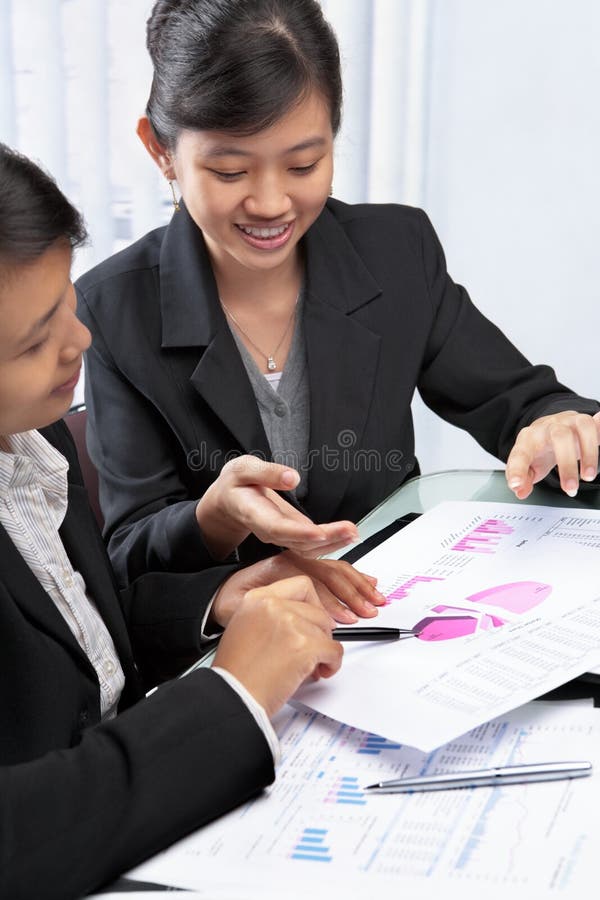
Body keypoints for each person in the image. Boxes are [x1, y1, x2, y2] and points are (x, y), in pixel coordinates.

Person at [76, 0, 600, 599]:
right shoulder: (112, 310)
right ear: (160, 150)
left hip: (398, 608)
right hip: (238, 655)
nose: (272, 203)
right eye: (229, 172)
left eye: (304, 163)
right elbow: (128, 555)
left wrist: (557, 429)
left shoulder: (396, 252)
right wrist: (214, 515)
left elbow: (521, 401)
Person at [0, 142, 344, 900]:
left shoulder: (31, 426)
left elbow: (72, 639)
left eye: (64, 300)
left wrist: (217, 602)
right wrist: (231, 696)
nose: (79, 340)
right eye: (33, 341)